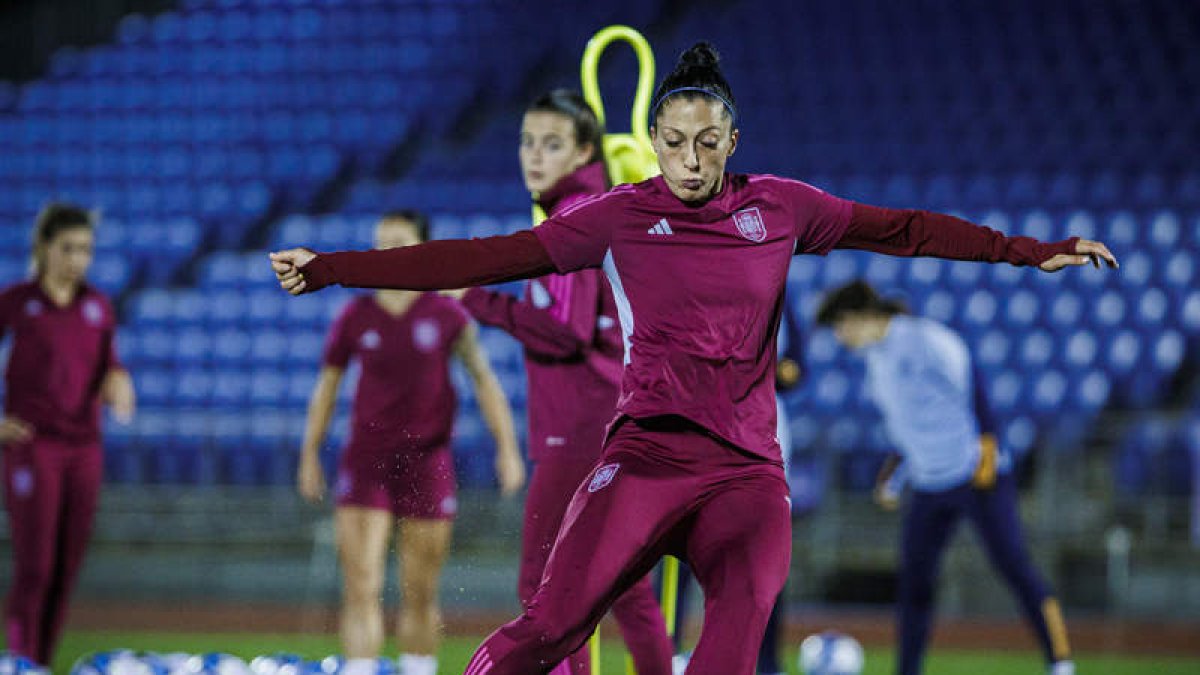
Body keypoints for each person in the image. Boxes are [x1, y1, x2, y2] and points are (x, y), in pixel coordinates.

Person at [269, 42, 1116, 675]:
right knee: (549, 627)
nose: (691, 159)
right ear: (654, 137)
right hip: (644, 456)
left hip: (748, 474)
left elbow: (905, 229)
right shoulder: (618, 214)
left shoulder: (783, 209)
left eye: (709, 141)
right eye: (674, 141)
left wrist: (1025, 250)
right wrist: (339, 267)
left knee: (731, 647)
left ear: (733, 139)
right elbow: (483, 258)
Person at [444, 89, 673, 675]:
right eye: (527, 141)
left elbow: (565, 332)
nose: (533, 156)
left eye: (551, 144)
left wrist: (476, 298)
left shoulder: (573, 217)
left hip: (578, 428)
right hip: (615, 420)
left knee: (543, 584)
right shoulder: (597, 209)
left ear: (582, 152)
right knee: (626, 588)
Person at [295, 211, 525, 675]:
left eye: (397, 244)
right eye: (380, 245)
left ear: (420, 249)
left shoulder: (446, 314)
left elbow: (484, 381)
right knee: (361, 585)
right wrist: (309, 454)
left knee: (420, 592)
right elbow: (328, 387)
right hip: (367, 461)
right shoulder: (356, 315)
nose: (385, 255)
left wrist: (508, 448)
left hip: (427, 462)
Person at [815, 280, 1075, 675]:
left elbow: (975, 386)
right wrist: (894, 474)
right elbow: (911, 426)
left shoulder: (925, 339)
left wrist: (987, 451)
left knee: (1015, 567)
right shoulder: (876, 361)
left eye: (839, 326)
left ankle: (1061, 662)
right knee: (914, 584)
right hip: (929, 482)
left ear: (858, 317)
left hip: (975, 476)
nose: (839, 337)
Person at [0, 203, 135, 669]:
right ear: (44, 248)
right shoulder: (18, 302)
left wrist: (119, 382)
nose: (78, 259)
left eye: (86, 250)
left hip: (84, 447)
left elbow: (108, 366)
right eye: (69, 248)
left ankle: (43, 661)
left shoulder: (97, 306)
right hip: (32, 445)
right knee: (35, 564)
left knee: (65, 567)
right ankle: (21, 662)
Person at [669, 298, 804, 675]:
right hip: (704, 426)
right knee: (677, 546)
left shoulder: (779, 299)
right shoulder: (700, 290)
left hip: (763, 429)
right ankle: (667, 652)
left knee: (763, 553)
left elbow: (797, 370)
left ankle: (767, 662)